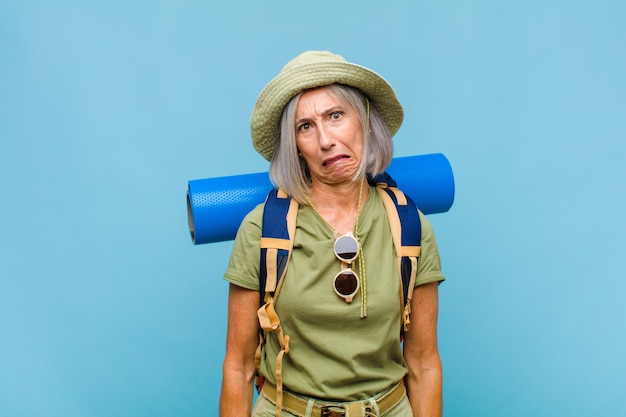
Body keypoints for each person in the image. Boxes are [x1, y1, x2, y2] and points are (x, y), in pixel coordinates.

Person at [220, 50, 444, 417]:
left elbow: (423, 364)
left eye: (335, 116)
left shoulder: (410, 225)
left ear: (366, 121)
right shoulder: (262, 228)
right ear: (295, 146)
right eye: (305, 126)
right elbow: (239, 366)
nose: (325, 140)